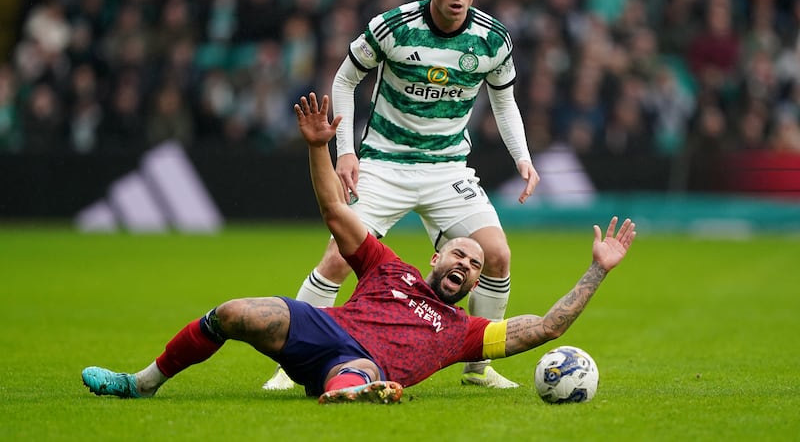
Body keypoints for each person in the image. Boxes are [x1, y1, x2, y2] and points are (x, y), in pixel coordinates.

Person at [81, 92, 636, 405]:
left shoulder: (466, 333)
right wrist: (319, 150)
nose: (465, 265)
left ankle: (354, 391)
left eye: (473, 266)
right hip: (323, 331)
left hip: (362, 363)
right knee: (234, 313)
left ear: (471, 286)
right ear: (435, 256)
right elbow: (334, 213)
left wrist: (597, 271)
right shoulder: (389, 267)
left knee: (354, 374)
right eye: (458, 255)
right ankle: (141, 383)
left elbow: (546, 328)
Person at [265, 0, 541, 391]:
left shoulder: (493, 39)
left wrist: (523, 159)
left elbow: (504, 103)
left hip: (447, 169)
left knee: (497, 254)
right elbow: (345, 79)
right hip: (384, 165)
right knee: (337, 258)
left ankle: (478, 369)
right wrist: (347, 152)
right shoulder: (393, 26)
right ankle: (286, 366)